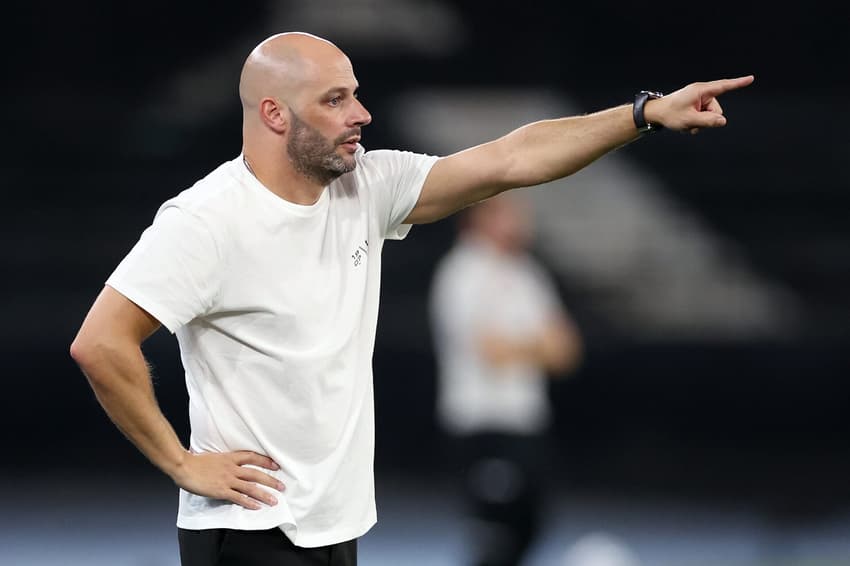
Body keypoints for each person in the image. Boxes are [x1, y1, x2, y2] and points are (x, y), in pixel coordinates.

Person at [68, 30, 753, 566]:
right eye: (334, 99)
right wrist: (183, 464)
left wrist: (644, 113)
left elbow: (514, 158)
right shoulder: (206, 220)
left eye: (355, 94)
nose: (360, 113)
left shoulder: (367, 187)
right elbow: (100, 342)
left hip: (336, 524)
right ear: (274, 114)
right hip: (252, 531)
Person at [429, 191, 583, 566]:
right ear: (484, 218)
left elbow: (567, 352)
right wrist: (537, 346)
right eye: (511, 215)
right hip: (483, 424)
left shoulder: (527, 273)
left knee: (531, 525)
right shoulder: (462, 273)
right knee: (495, 533)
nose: (521, 224)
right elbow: (492, 353)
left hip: (526, 421)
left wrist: (521, 347)